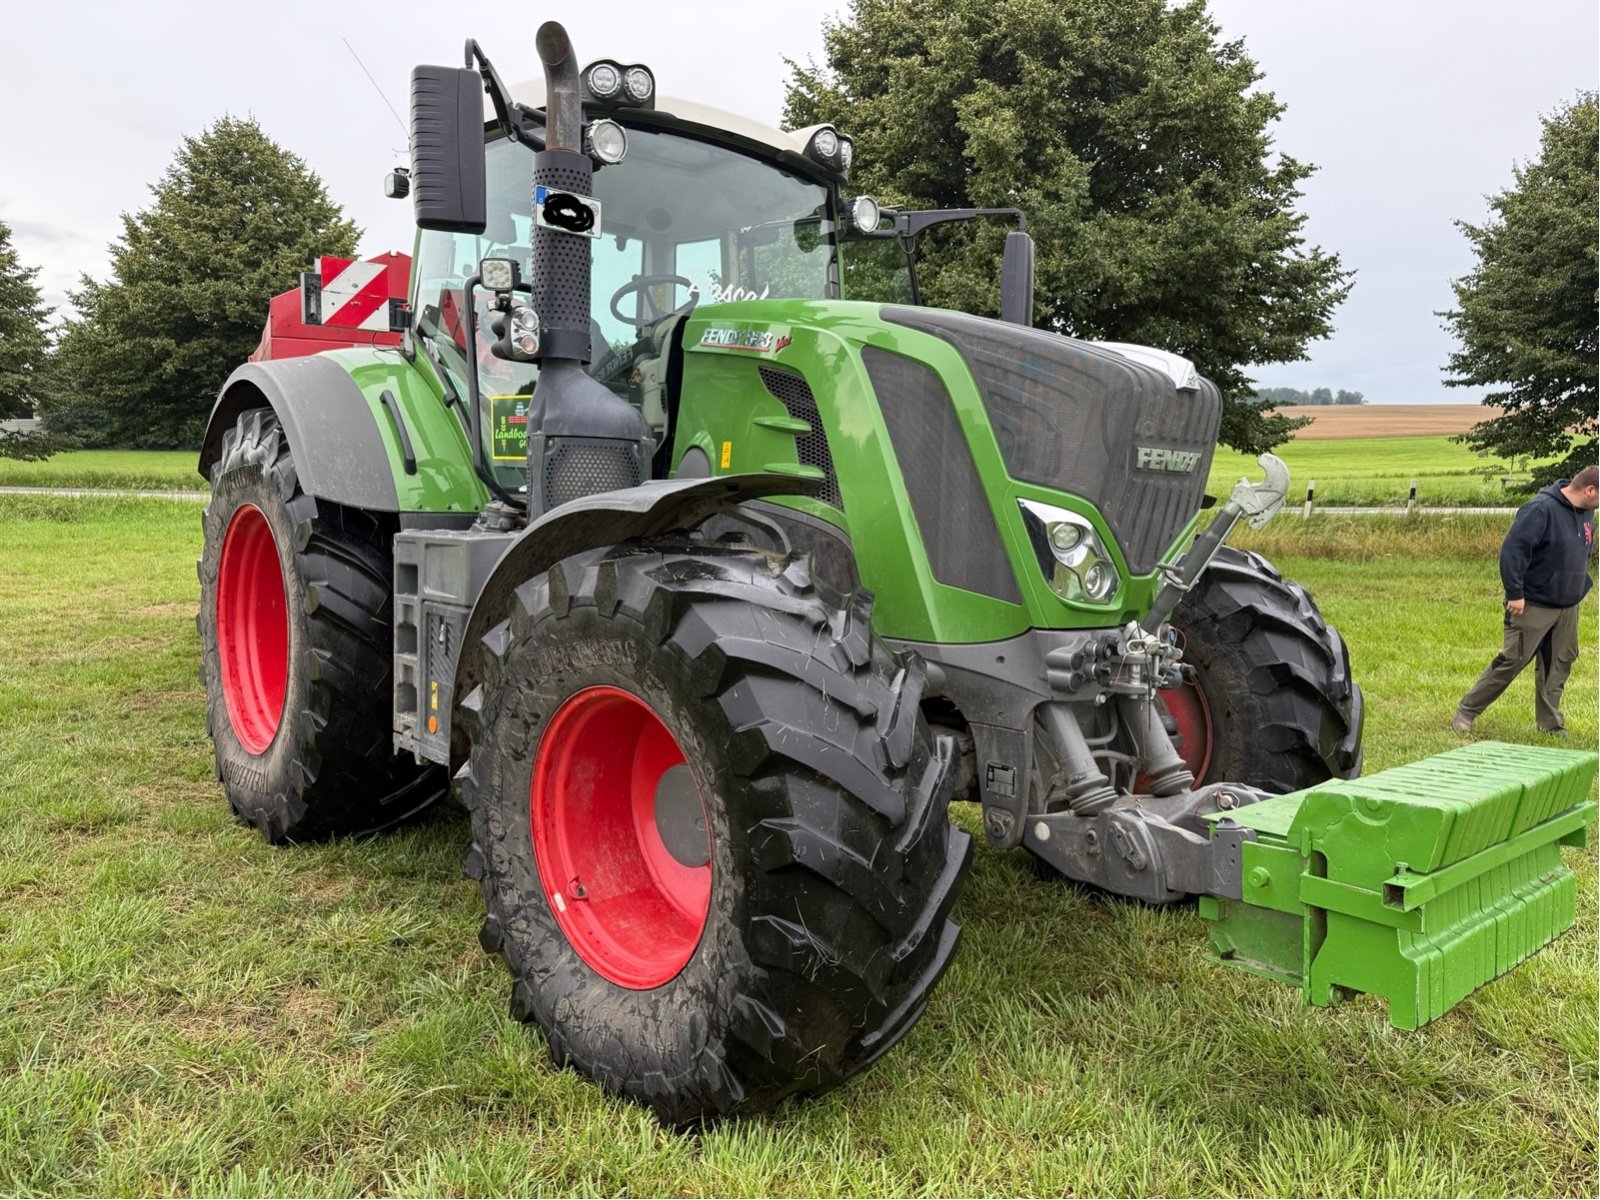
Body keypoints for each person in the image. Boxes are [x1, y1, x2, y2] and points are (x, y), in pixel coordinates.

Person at [1453, 465, 1598, 736]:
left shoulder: (1588, 512)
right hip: (1532, 604)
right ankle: (1467, 711)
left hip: (1567, 606)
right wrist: (1515, 594)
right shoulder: (1540, 509)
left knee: (1558, 664)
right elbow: (1513, 552)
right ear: (1590, 490)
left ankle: (1551, 725)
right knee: (1512, 660)